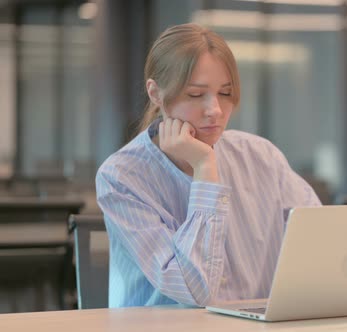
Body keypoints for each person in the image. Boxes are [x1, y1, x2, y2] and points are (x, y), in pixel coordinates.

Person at [96, 23, 321, 308]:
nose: (214, 109)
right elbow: (194, 291)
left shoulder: (261, 157)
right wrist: (204, 168)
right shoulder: (121, 177)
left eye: (225, 93)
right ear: (155, 93)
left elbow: (323, 243)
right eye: (195, 94)